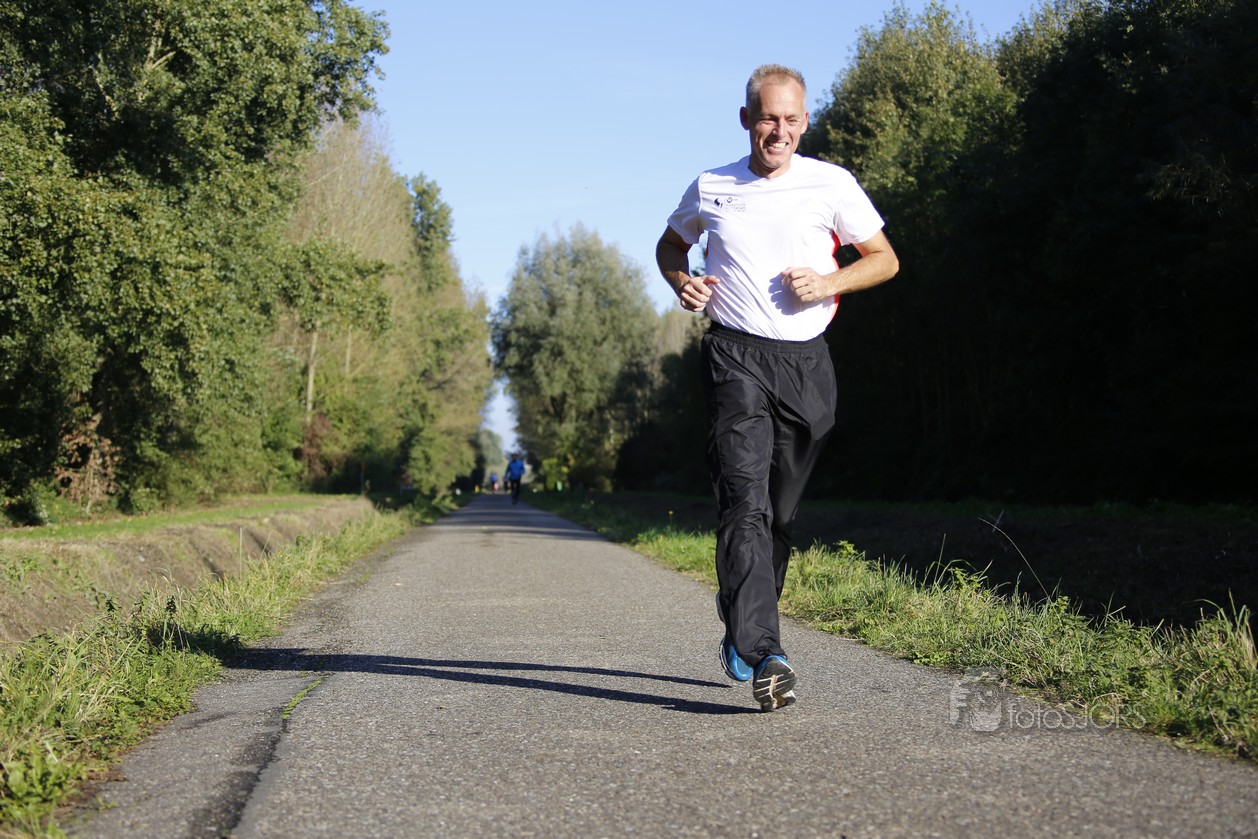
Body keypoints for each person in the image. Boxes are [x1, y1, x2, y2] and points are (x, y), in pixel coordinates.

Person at [655, 64, 898, 712]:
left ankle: (741, 604)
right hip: (734, 356)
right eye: (768, 118)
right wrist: (682, 282)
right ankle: (767, 651)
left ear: (805, 122)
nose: (779, 131)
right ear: (746, 120)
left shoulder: (832, 184)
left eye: (791, 119)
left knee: (779, 515)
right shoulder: (712, 186)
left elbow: (885, 258)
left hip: (807, 365)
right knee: (745, 504)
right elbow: (670, 246)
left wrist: (830, 282)